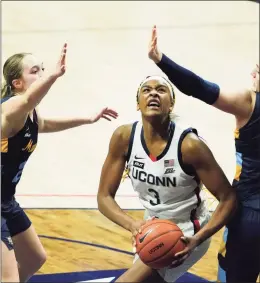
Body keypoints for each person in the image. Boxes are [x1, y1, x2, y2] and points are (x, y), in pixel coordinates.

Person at [97, 74, 237, 283]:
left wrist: (198, 238)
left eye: (161, 90)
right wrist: (132, 225)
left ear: (171, 104)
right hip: (151, 227)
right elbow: (104, 197)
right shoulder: (124, 138)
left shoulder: (190, 146)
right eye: (147, 90)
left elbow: (229, 198)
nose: (153, 93)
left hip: (186, 232)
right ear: (138, 104)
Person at [148, 25, 260, 282]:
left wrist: (160, 60)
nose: (253, 72)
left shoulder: (249, 102)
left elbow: (199, 87)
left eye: (258, 69)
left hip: (249, 216)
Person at [1, 44, 118, 282]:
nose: (41, 75)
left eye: (43, 70)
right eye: (35, 71)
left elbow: (46, 125)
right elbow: (27, 102)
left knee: (34, 258)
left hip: (5, 200)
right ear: (17, 84)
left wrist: (88, 119)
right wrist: (55, 76)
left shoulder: (31, 115)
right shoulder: (11, 107)